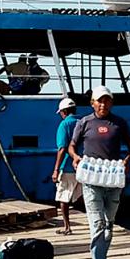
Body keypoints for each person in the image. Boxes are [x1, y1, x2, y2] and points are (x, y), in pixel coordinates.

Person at [68, 86, 130, 259]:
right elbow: (72, 145)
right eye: (99, 100)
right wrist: (75, 157)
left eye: (107, 100)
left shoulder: (119, 123)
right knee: (97, 224)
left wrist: (127, 161)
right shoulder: (84, 123)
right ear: (92, 103)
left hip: (113, 180)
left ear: (111, 103)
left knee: (108, 226)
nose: (103, 104)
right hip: (91, 181)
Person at [52, 97, 81, 235]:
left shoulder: (64, 125)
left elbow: (62, 148)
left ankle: (67, 227)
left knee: (63, 197)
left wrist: (56, 169)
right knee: (82, 195)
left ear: (64, 111)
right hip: (83, 166)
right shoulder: (83, 122)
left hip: (68, 167)